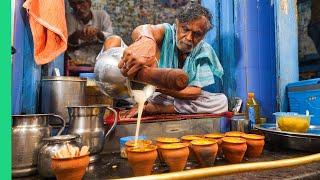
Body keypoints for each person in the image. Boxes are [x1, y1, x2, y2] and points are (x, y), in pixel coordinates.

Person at [102, 4, 228, 115]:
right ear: (177, 24)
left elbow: (194, 92)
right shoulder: (166, 32)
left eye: (197, 34)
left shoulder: (203, 50)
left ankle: (158, 108)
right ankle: (152, 104)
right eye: (185, 29)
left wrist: (157, 85)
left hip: (167, 97)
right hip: (151, 93)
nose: (189, 38)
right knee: (113, 41)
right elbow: (144, 29)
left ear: (204, 35)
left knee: (221, 101)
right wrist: (147, 40)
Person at [66, 0, 113, 65]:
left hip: (99, 60)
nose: (77, 7)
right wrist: (77, 35)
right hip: (76, 61)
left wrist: (98, 33)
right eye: (73, 4)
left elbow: (111, 38)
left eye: (81, 2)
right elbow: (67, 43)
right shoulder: (69, 17)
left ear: (89, 3)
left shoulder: (102, 16)